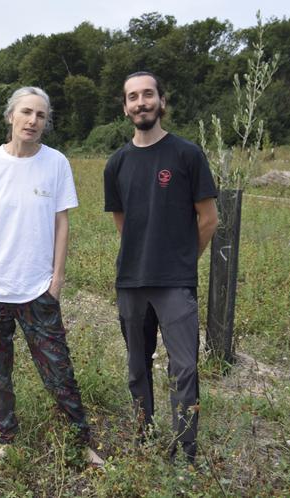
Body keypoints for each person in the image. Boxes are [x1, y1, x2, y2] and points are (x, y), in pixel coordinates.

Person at [0, 86, 104, 470]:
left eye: (40, 116)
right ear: (11, 116)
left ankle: (80, 443)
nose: (33, 121)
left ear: (46, 122)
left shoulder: (56, 164)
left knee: (59, 370)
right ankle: (6, 442)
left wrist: (56, 280)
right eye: (26, 112)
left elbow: (61, 223)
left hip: (38, 290)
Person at [103, 71, 219, 463]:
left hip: (175, 283)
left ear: (161, 101)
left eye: (147, 94)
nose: (141, 102)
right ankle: (144, 434)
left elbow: (208, 219)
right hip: (131, 281)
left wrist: (184, 260)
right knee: (138, 367)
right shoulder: (116, 163)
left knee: (184, 368)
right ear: (125, 107)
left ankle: (185, 450)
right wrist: (143, 254)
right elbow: (123, 222)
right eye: (133, 97)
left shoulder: (187, 154)